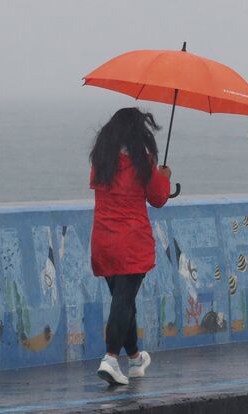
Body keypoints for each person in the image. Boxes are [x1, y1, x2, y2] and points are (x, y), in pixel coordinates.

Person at [89, 107, 171, 385]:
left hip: (103, 241)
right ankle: (111, 358)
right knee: (123, 302)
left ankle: (135, 358)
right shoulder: (143, 163)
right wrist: (165, 176)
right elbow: (158, 199)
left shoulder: (101, 161)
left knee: (123, 302)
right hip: (131, 243)